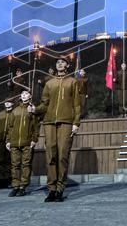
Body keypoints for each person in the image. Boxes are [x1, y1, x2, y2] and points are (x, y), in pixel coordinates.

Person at [37, 57, 81, 202]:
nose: (60, 64)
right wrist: (35, 109)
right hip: (49, 122)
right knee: (51, 155)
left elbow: (77, 104)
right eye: (57, 62)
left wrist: (76, 122)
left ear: (67, 65)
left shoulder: (73, 82)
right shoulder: (49, 83)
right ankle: (52, 189)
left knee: (62, 155)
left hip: (66, 122)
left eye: (63, 62)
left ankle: (60, 188)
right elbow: (44, 103)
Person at [6, 89, 39, 197]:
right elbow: (10, 127)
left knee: (26, 164)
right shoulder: (15, 111)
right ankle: (15, 186)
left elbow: (36, 127)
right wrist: (8, 141)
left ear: (30, 96)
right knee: (15, 165)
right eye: (22, 94)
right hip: (14, 142)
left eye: (26, 94)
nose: (24, 95)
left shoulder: (31, 109)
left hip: (27, 142)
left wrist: (34, 139)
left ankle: (23, 187)